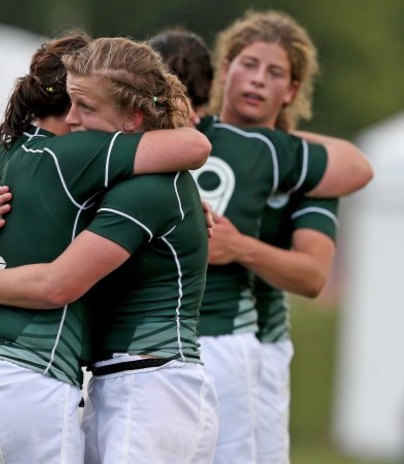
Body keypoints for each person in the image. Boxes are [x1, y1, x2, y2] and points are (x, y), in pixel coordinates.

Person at [0, 32, 212, 464]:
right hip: (86, 381)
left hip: (150, 388)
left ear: (132, 117)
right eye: (71, 103)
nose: (73, 120)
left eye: (86, 106)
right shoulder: (94, 166)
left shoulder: (14, 154)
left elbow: (56, 282)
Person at [193, 10, 372, 463]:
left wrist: (240, 248)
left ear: (291, 91)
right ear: (226, 67)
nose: (257, 80)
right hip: (161, 340)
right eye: (248, 64)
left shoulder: (309, 173)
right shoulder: (188, 140)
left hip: (255, 349)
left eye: (274, 73)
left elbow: (313, 276)